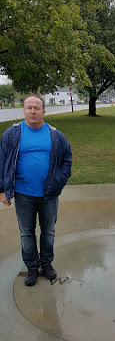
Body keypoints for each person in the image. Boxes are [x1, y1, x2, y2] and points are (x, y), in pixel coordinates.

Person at [0, 95, 72, 286]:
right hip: (23, 195)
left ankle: (46, 264)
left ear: (43, 112)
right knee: (26, 233)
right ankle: (32, 267)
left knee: (48, 231)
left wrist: (59, 181)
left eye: (37, 108)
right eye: (29, 107)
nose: (33, 111)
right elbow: (2, 163)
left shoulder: (55, 135)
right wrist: (1, 190)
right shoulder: (12, 134)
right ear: (23, 110)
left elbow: (67, 159)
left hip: (49, 195)